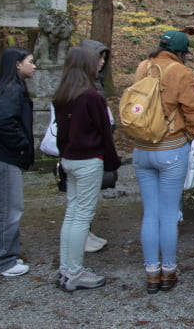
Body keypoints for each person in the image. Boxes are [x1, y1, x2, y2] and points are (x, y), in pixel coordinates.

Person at [131, 30, 194, 293]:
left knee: (150, 213)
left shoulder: (142, 67)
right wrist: (189, 135)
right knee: (169, 213)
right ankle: (169, 271)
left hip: (141, 148)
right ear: (181, 52)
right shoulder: (180, 72)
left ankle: (151, 273)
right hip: (171, 148)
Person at [53, 46, 121, 291]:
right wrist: (113, 162)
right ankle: (75, 272)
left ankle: (66, 268)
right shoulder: (92, 97)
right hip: (89, 160)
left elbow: (60, 133)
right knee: (82, 217)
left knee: (72, 214)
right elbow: (105, 133)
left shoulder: (63, 95)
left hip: (69, 159)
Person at [0, 47, 36, 277]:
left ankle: (1, 255)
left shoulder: (8, 87)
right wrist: (21, 145)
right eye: (30, 61)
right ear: (17, 65)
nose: (34, 66)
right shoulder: (12, 90)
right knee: (6, 209)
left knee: (3, 207)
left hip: (0, 156)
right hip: (3, 157)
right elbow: (4, 122)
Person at [78, 39, 113, 253]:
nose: (101, 62)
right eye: (98, 57)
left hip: (84, 151)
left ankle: (85, 233)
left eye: (103, 58)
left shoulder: (92, 83)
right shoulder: (87, 89)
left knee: (83, 202)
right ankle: (80, 240)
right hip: (87, 151)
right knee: (81, 205)